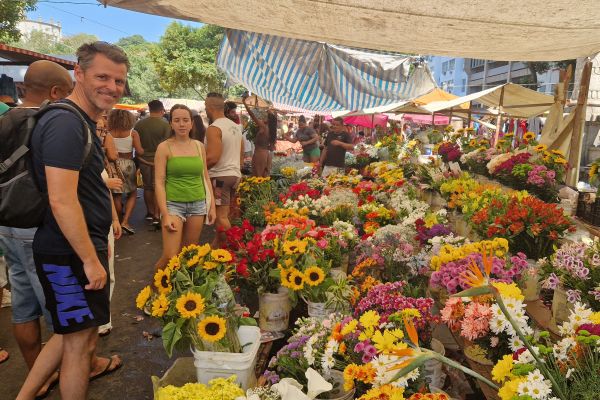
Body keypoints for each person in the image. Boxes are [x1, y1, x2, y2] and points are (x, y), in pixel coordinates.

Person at [17, 41, 129, 400]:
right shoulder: (66, 123)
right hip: (69, 256)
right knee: (81, 347)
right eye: (102, 77)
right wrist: (89, 260)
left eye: (119, 80)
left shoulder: (78, 120)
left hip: (69, 252)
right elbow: (61, 199)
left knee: (70, 334)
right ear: (78, 74)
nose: (111, 87)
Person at [153, 104, 216, 270]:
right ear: (171, 124)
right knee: (170, 256)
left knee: (187, 255)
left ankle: (177, 292)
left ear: (191, 123)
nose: (181, 124)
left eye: (185, 120)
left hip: (198, 205)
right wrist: (164, 214)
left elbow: (206, 178)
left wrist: (212, 207)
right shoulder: (164, 147)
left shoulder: (199, 146)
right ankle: (153, 290)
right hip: (173, 205)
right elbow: (159, 182)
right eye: (177, 120)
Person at [205, 92, 244, 248]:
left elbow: (213, 157)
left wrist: (200, 170)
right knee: (227, 215)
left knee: (221, 216)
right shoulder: (235, 126)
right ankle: (217, 244)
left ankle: (235, 248)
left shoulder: (214, 128)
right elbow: (241, 156)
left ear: (209, 107)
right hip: (235, 175)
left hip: (220, 177)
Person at [107, 109, 144, 234]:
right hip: (128, 164)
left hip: (113, 166)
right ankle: (126, 221)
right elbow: (139, 151)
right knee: (132, 193)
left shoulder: (108, 133)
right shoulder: (133, 133)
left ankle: (118, 219)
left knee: (116, 194)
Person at [135, 100, 170, 225]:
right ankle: (157, 213)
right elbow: (167, 144)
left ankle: (150, 213)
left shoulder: (139, 124)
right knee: (159, 187)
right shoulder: (166, 125)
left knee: (148, 187)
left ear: (150, 109)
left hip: (144, 160)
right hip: (160, 161)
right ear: (161, 110)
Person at [241, 95, 271, 177]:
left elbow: (252, 115)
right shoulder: (270, 129)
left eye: (265, 114)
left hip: (260, 154)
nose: (263, 115)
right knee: (263, 177)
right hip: (266, 154)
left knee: (257, 177)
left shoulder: (263, 126)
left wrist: (244, 103)